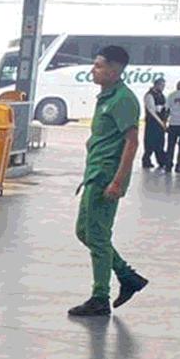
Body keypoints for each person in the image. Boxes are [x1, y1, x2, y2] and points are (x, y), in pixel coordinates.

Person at [69, 45, 149, 317]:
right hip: (94, 174)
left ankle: (100, 296)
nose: (94, 70)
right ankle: (127, 276)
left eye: (99, 66)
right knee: (85, 232)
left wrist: (118, 181)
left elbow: (132, 141)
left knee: (98, 237)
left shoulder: (122, 99)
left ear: (114, 71)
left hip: (106, 177)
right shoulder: (106, 97)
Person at [141, 79, 168, 170]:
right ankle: (146, 160)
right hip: (152, 123)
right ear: (156, 85)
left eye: (164, 86)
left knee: (160, 142)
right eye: (161, 85)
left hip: (160, 123)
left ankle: (161, 161)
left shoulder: (162, 96)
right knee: (150, 142)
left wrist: (164, 121)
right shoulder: (149, 95)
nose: (163, 87)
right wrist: (161, 123)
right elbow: (151, 111)